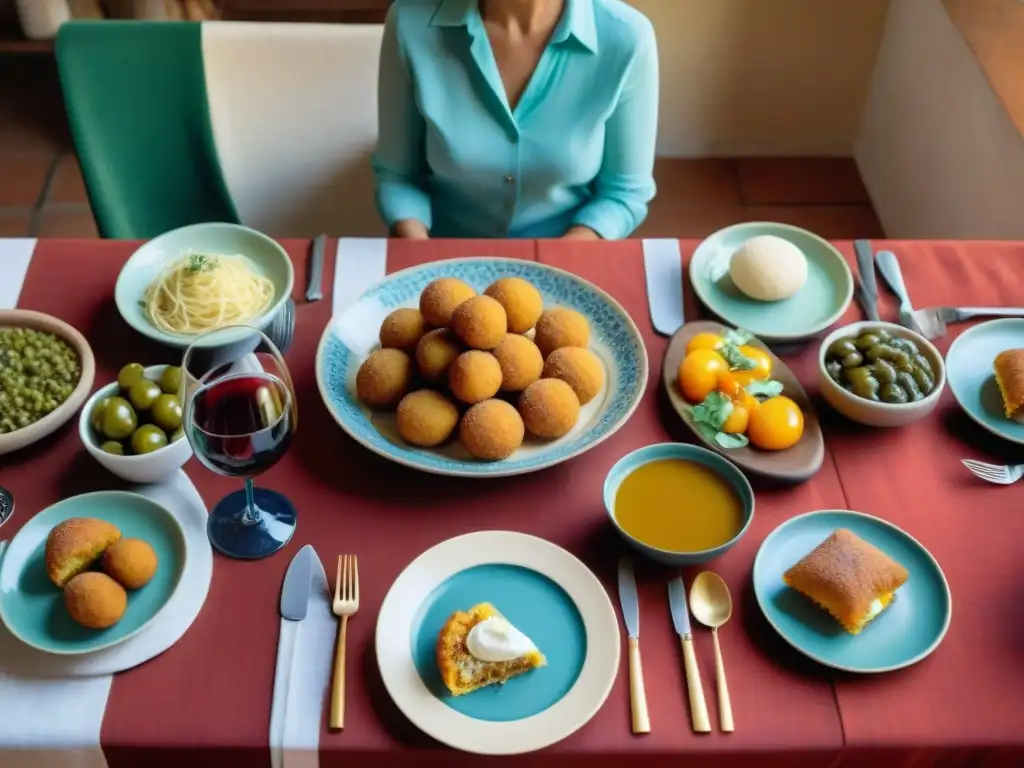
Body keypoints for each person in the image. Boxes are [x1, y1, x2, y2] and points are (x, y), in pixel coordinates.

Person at [372, 0, 659, 240]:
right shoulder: (409, 22)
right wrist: (423, 262)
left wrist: (560, 262)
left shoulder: (626, 37)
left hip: (569, 257)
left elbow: (624, 193)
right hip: (444, 259)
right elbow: (399, 177)